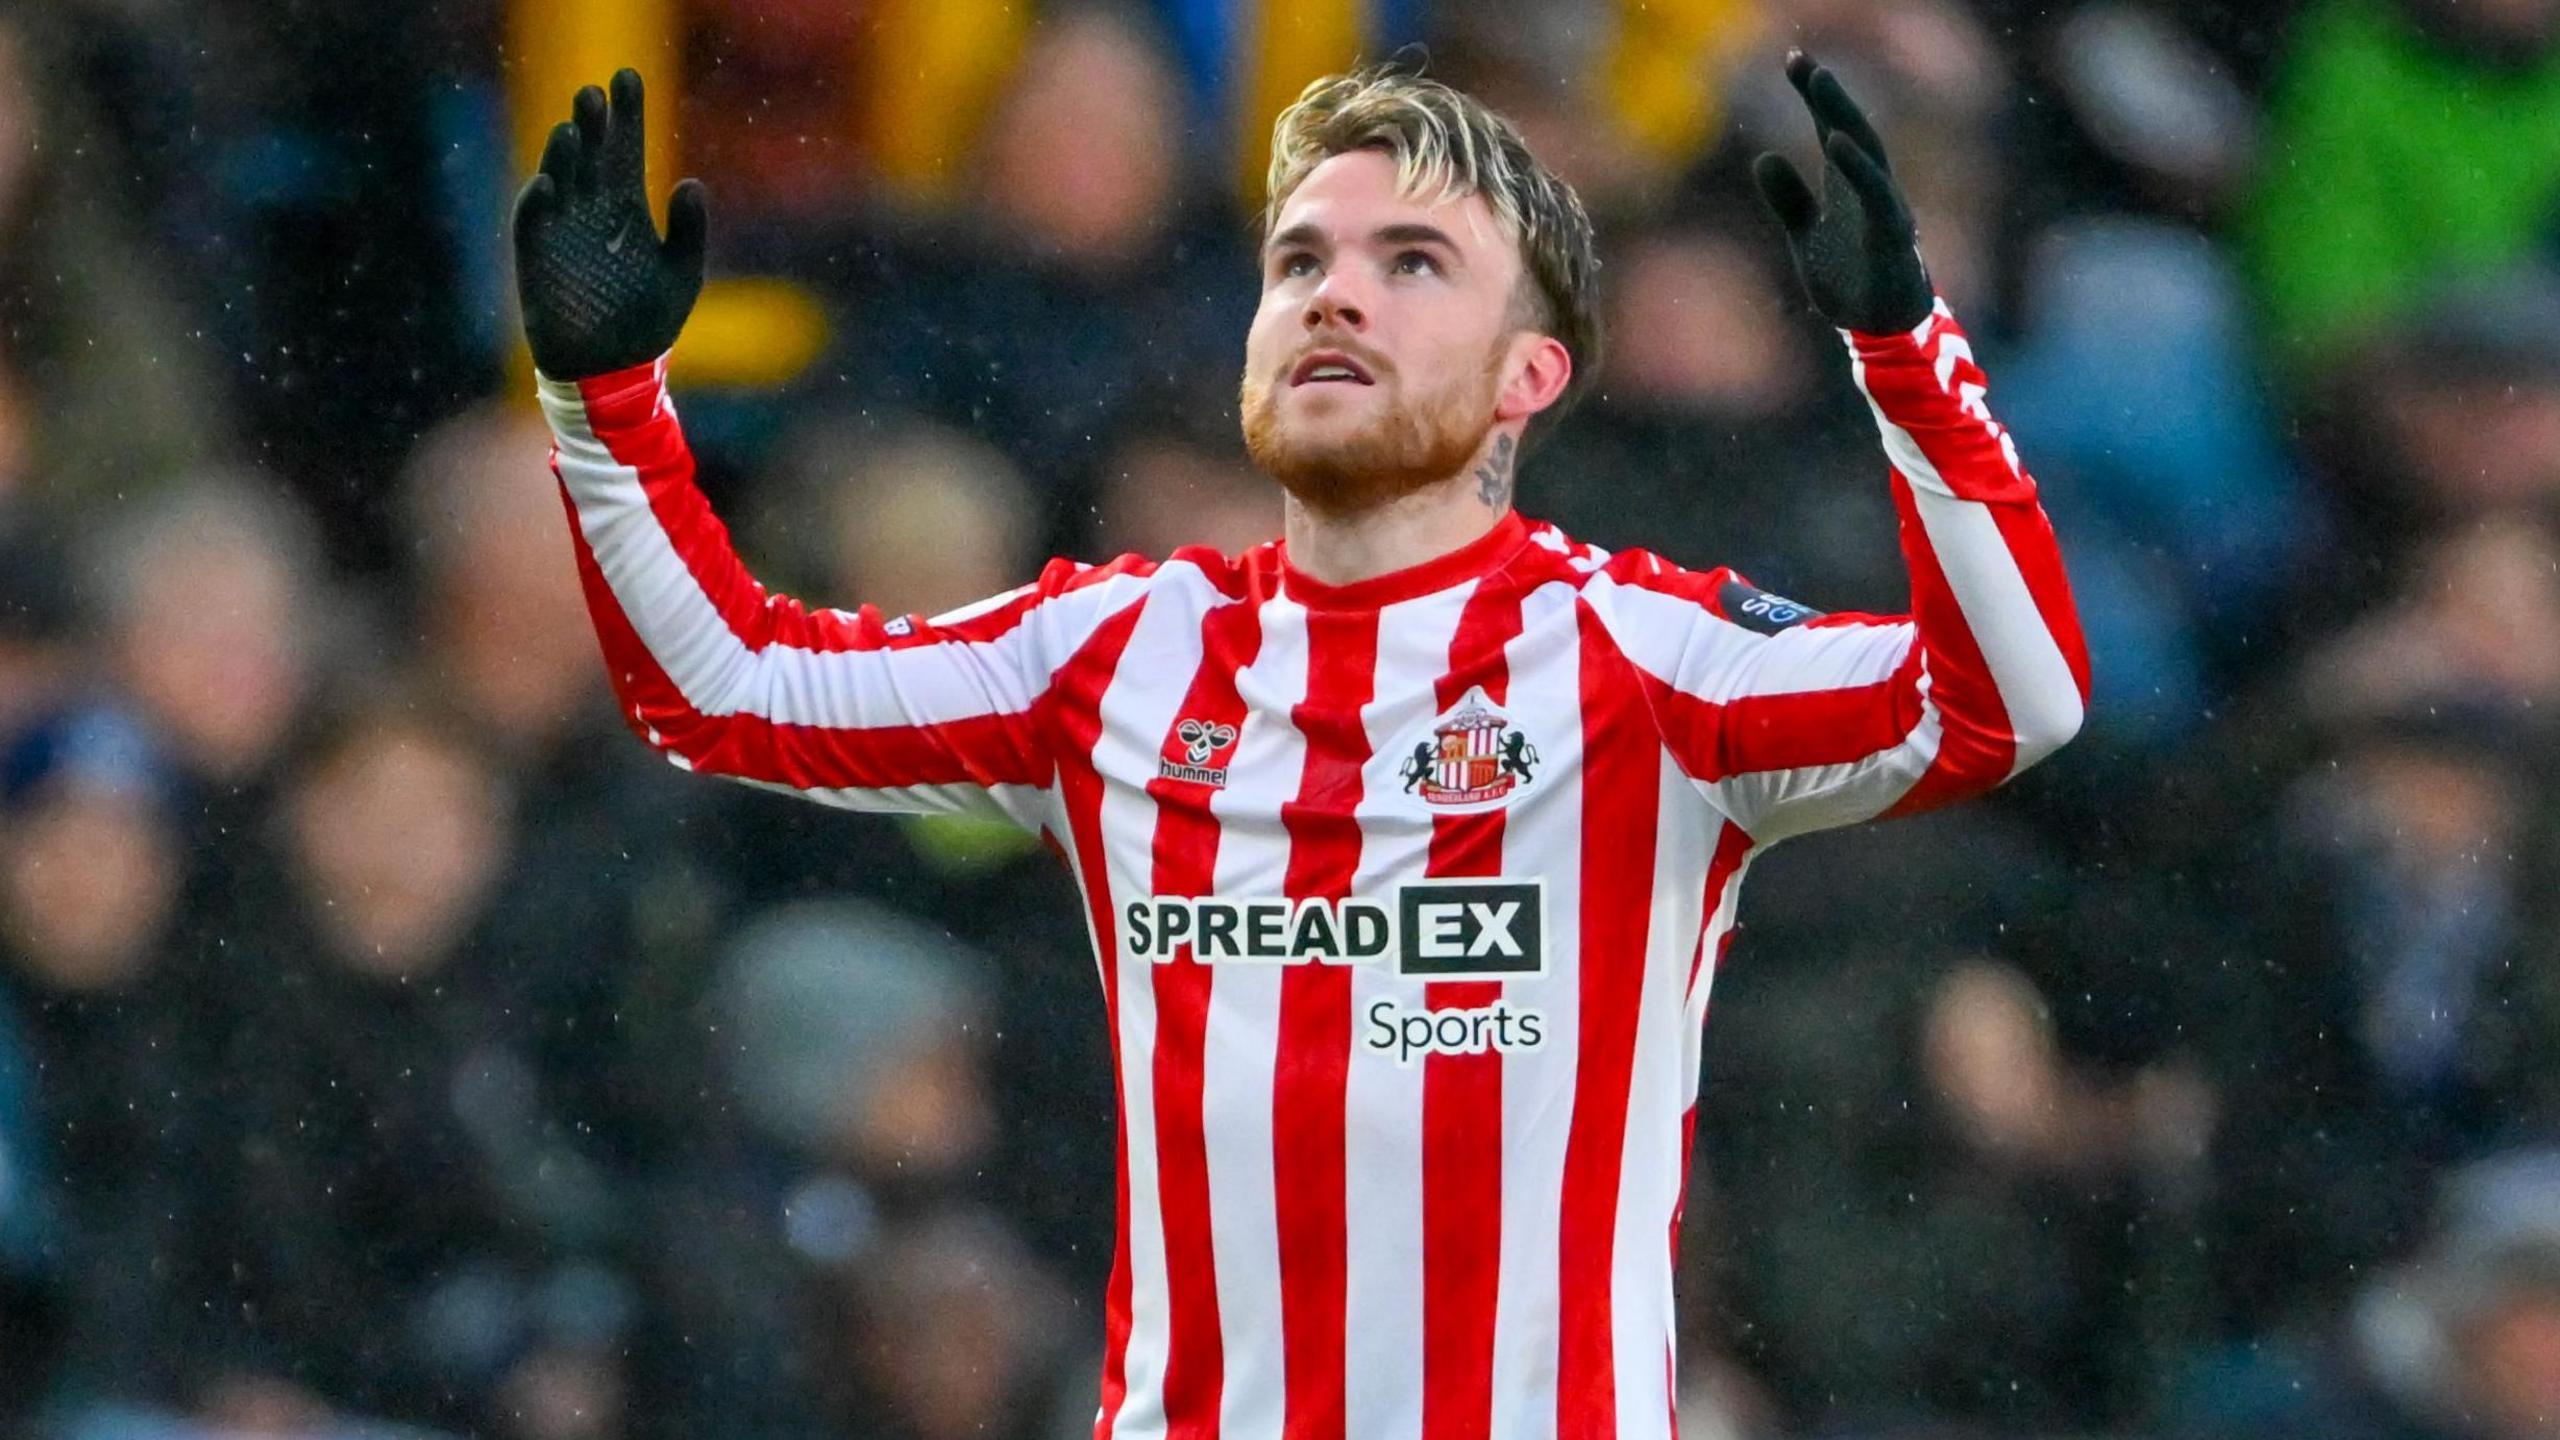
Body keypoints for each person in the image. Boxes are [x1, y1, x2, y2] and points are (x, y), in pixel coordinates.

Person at [510, 53, 2087, 1440]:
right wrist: (603, 397)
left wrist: (1906, 362)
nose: (1337, 293)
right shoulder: (1113, 652)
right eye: (1301, 262)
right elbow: (717, 689)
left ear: (1529, 377)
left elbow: (2011, 705)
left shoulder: (1643, 657)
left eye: (1413, 263)